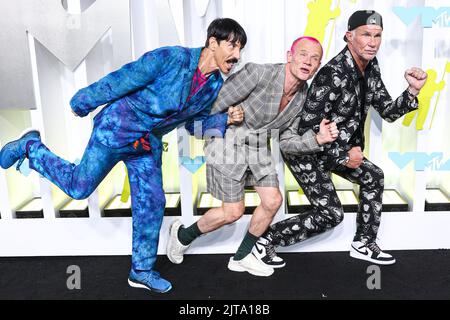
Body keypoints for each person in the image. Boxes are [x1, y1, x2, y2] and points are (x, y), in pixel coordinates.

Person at [0, 18, 247, 292]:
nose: (236, 55)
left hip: (146, 144)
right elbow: (124, 78)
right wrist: (84, 101)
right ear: (213, 43)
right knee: (79, 188)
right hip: (116, 129)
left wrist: (224, 121)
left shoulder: (212, 87)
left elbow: (193, 125)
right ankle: (30, 148)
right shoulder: (170, 58)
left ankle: (141, 270)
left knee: (152, 201)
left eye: (240, 49)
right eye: (232, 46)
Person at [255, 10, 427, 267]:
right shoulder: (330, 74)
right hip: (306, 151)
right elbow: (309, 128)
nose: (372, 42)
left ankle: (363, 243)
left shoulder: (371, 67)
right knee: (331, 214)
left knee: (374, 177)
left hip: (339, 149)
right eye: (366, 35)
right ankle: (264, 240)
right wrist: (345, 156)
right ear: (349, 36)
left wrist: (413, 90)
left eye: (378, 36)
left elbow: (388, 111)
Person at [167, 36, 338, 276]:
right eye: (303, 54)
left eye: (315, 59)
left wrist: (317, 139)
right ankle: (182, 235)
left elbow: (287, 141)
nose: (308, 61)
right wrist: (225, 117)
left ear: (318, 66)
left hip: (258, 149)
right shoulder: (258, 73)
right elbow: (212, 105)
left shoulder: (302, 97)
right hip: (228, 143)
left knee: (273, 201)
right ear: (290, 56)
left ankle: (242, 257)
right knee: (232, 212)